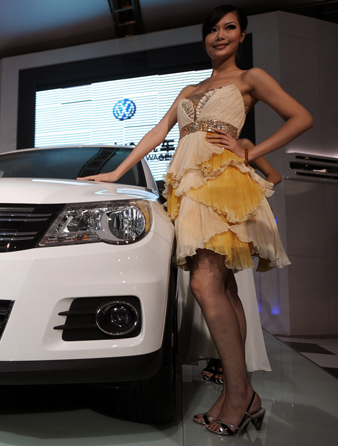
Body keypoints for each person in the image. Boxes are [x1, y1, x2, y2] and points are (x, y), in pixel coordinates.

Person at [79, 5, 312, 436]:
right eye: (213, 30)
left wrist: (250, 151)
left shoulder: (250, 78)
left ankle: (239, 395)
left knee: (206, 284)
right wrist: (115, 172)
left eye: (230, 28)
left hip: (223, 184)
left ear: (242, 35)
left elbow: (302, 117)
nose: (220, 35)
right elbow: (157, 132)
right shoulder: (190, 87)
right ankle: (239, 392)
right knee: (221, 286)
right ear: (204, 38)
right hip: (188, 188)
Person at [179, 140, 281, 386]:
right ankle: (219, 361)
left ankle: (229, 368)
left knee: (225, 292)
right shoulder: (196, 141)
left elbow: (273, 176)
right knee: (213, 292)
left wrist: (246, 195)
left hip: (233, 228)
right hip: (201, 227)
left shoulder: (242, 143)